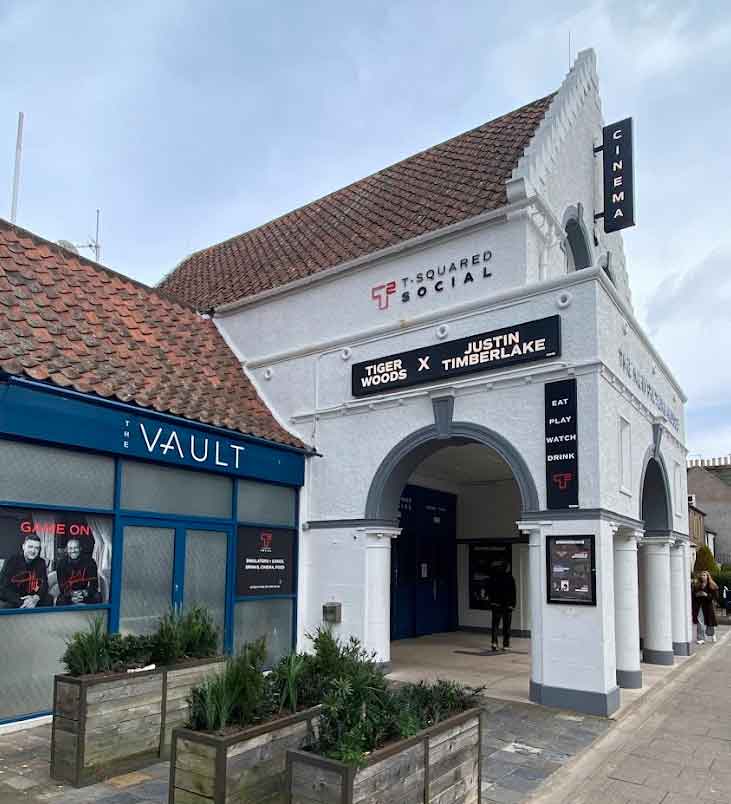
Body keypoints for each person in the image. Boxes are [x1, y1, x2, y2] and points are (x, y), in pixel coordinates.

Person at [0, 534, 49, 609]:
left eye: (36, 548)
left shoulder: (41, 562)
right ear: (23, 547)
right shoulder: (11, 560)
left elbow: (44, 584)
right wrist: (22, 601)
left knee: (48, 599)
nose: (33, 551)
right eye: (30, 547)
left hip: (31, 597)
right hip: (14, 597)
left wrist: (36, 598)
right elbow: (3, 588)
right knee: (5, 606)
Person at [55, 538, 101, 605]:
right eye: (70, 548)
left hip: (85, 593)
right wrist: (72, 595)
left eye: (75, 548)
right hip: (69, 595)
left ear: (80, 548)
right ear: (67, 550)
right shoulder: (61, 564)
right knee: (60, 601)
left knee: (97, 597)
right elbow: (62, 586)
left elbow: (94, 584)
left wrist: (84, 593)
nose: (73, 551)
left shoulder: (90, 562)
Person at [487, 562, 517, 651]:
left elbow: (490, 590)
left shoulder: (494, 578)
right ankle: (506, 644)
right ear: (507, 568)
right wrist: (513, 604)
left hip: (496, 605)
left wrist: (491, 602)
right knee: (506, 626)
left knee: (495, 625)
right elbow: (513, 593)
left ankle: (494, 643)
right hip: (507, 606)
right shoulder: (510, 578)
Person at [692, 570, 718, 644]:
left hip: (708, 606)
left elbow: (715, 596)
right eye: (702, 575)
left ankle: (712, 634)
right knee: (700, 621)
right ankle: (701, 638)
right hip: (700, 605)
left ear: (707, 576)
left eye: (704, 575)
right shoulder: (697, 585)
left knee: (710, 621)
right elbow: (693, 595)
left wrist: (706, 595)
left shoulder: (712, 585)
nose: (703, 576)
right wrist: (697, 595)